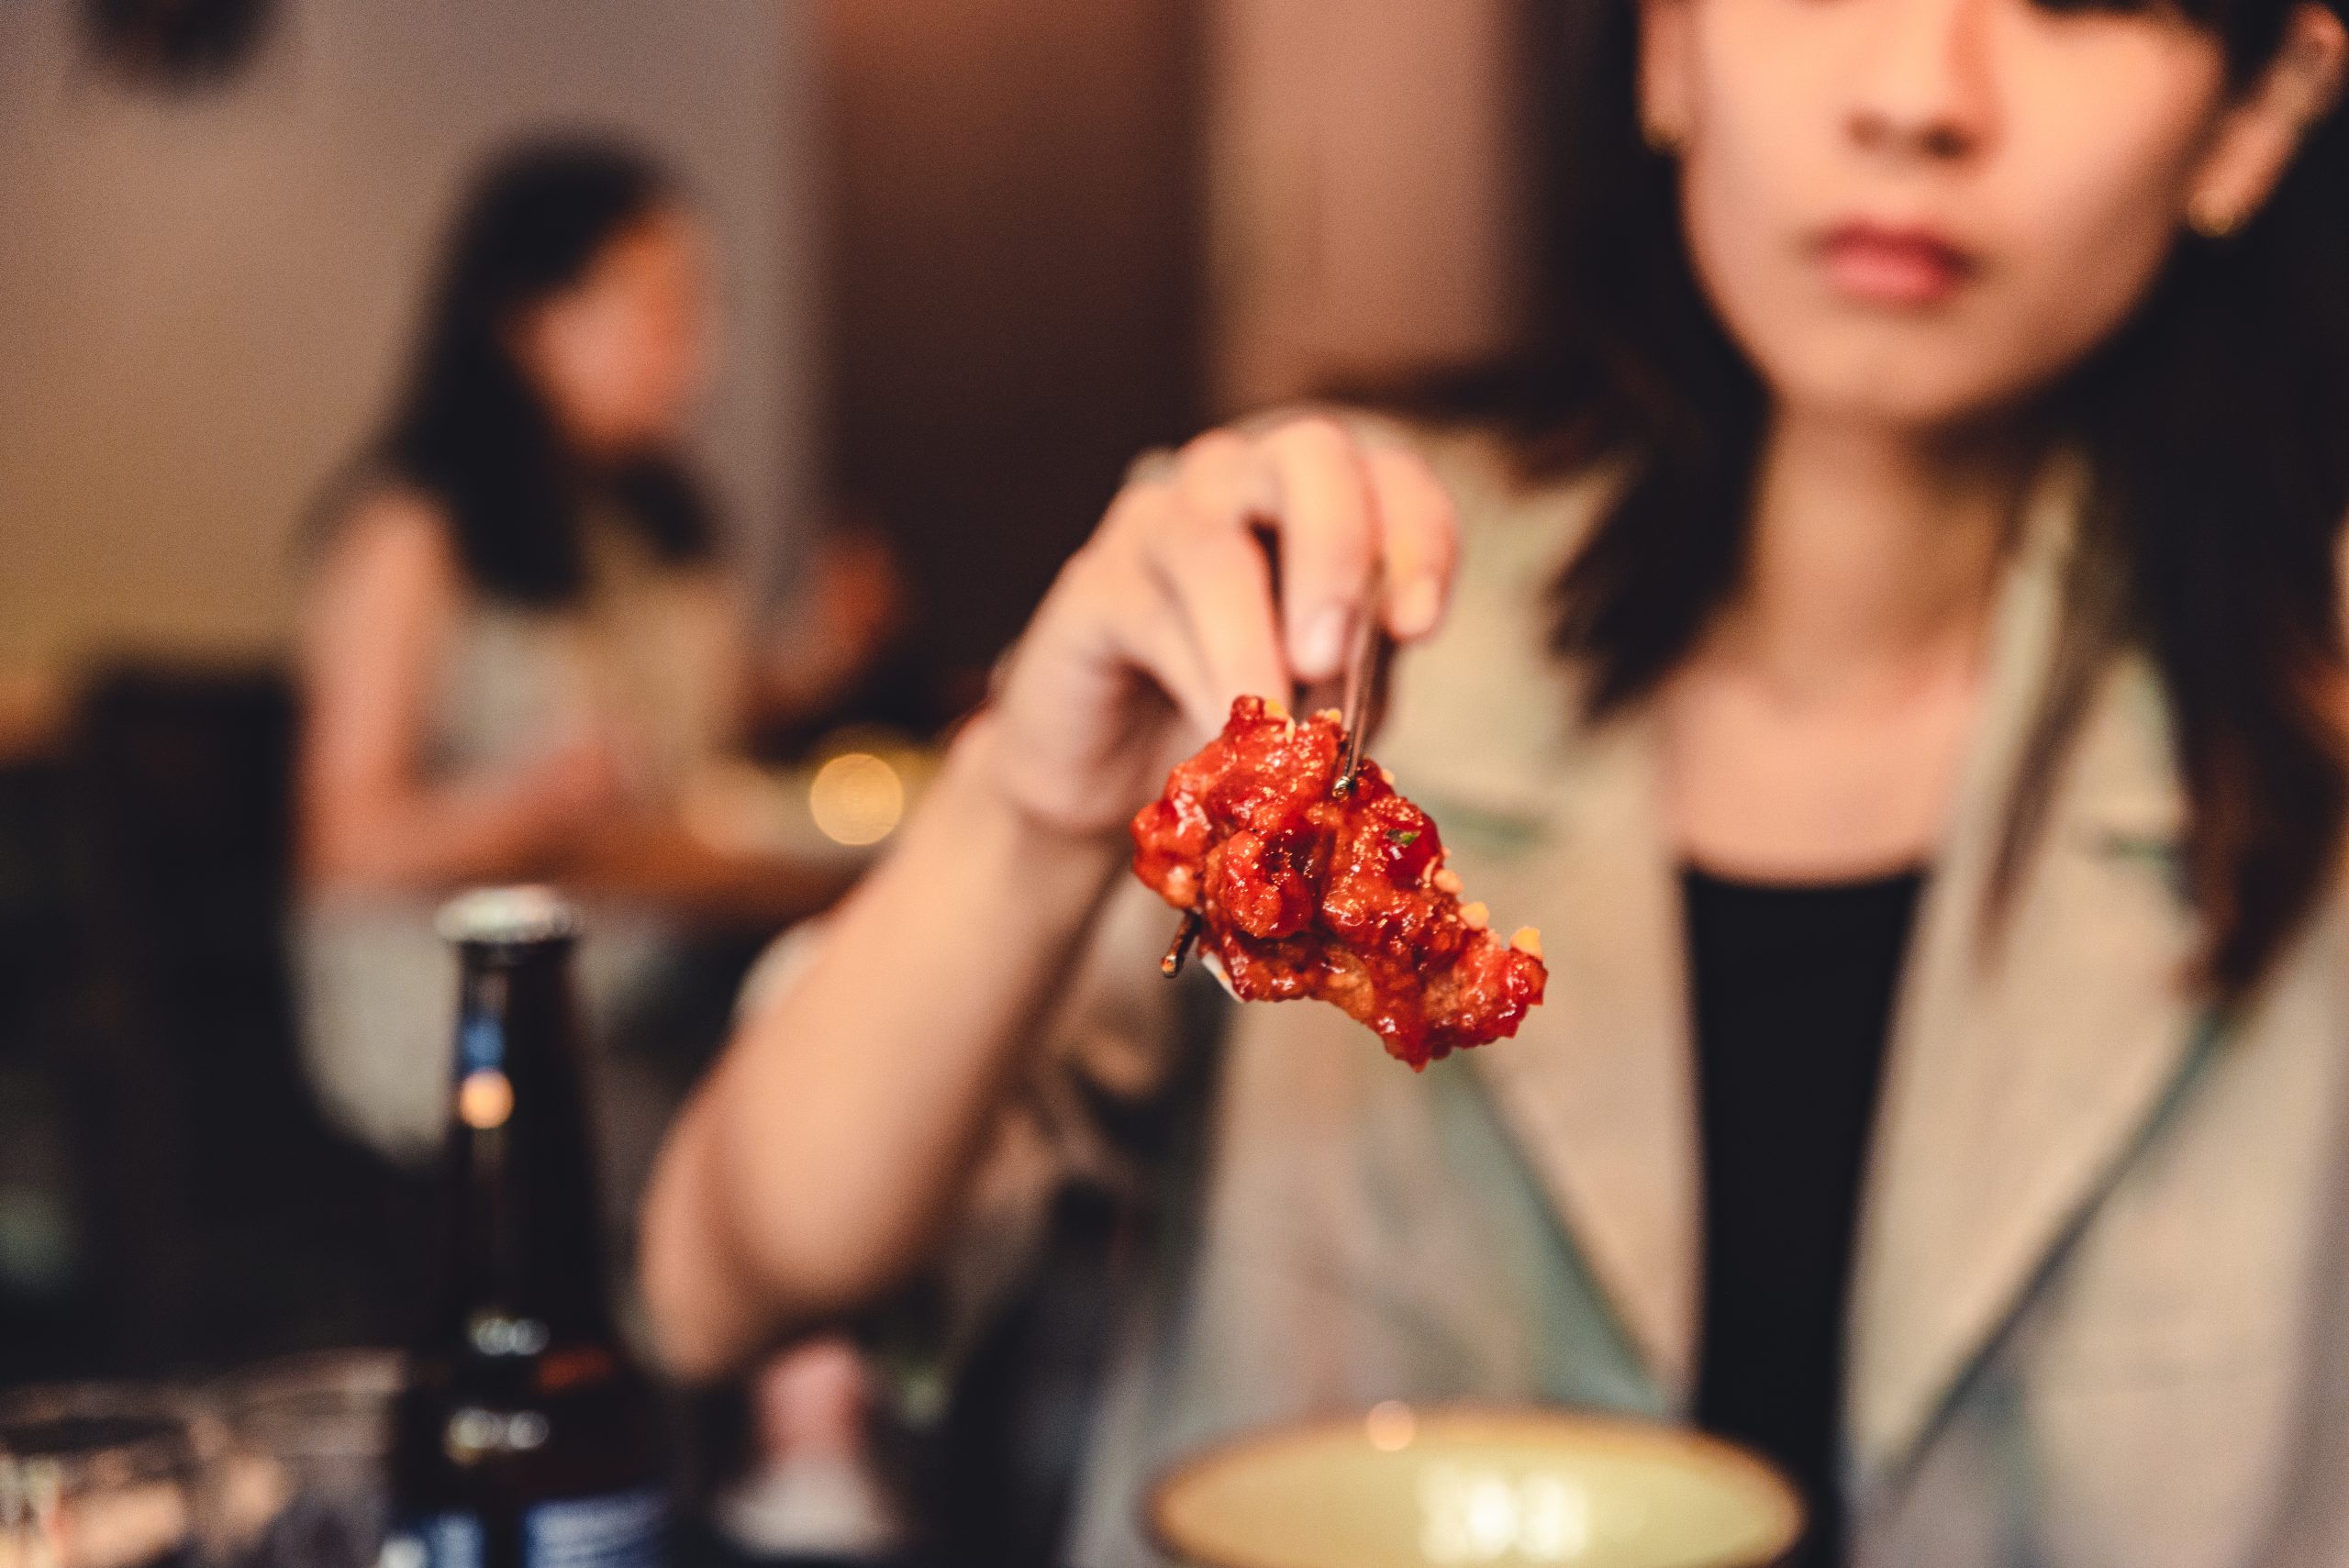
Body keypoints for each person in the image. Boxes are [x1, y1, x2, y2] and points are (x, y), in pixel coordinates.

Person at [640, 0, 2349, 1560]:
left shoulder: (2312, 729)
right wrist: (1034, 807)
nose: (1918, 93)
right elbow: (722, 1280)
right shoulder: (1336, 610)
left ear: (2258, 109)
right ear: (1667, 41)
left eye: (2078, 3)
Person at [294, 139, 896, 1168]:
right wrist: (520, 806)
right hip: (474, 1019)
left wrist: (815, 664)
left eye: (699, 308)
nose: (695, 346)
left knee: (854, 1073)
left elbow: (689, 741)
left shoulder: (646, 518)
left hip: (646, 978)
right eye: (657, 307)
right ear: (529, 320)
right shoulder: (413, 529)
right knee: (805, 1130)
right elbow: (345, 841)